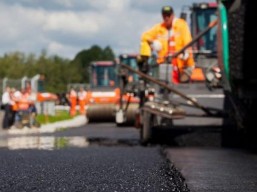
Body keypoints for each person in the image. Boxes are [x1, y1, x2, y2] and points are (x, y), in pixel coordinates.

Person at [140, 5, 195, 83]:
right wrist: (153, 42)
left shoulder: (181, 25)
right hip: (165, 66)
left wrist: (186, 52)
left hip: (182, 65)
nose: (166, 18)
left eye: (168, 15)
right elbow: (145, 36)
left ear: (173, 15)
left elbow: (187, 41)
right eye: (164, 15)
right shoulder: (159, 28)